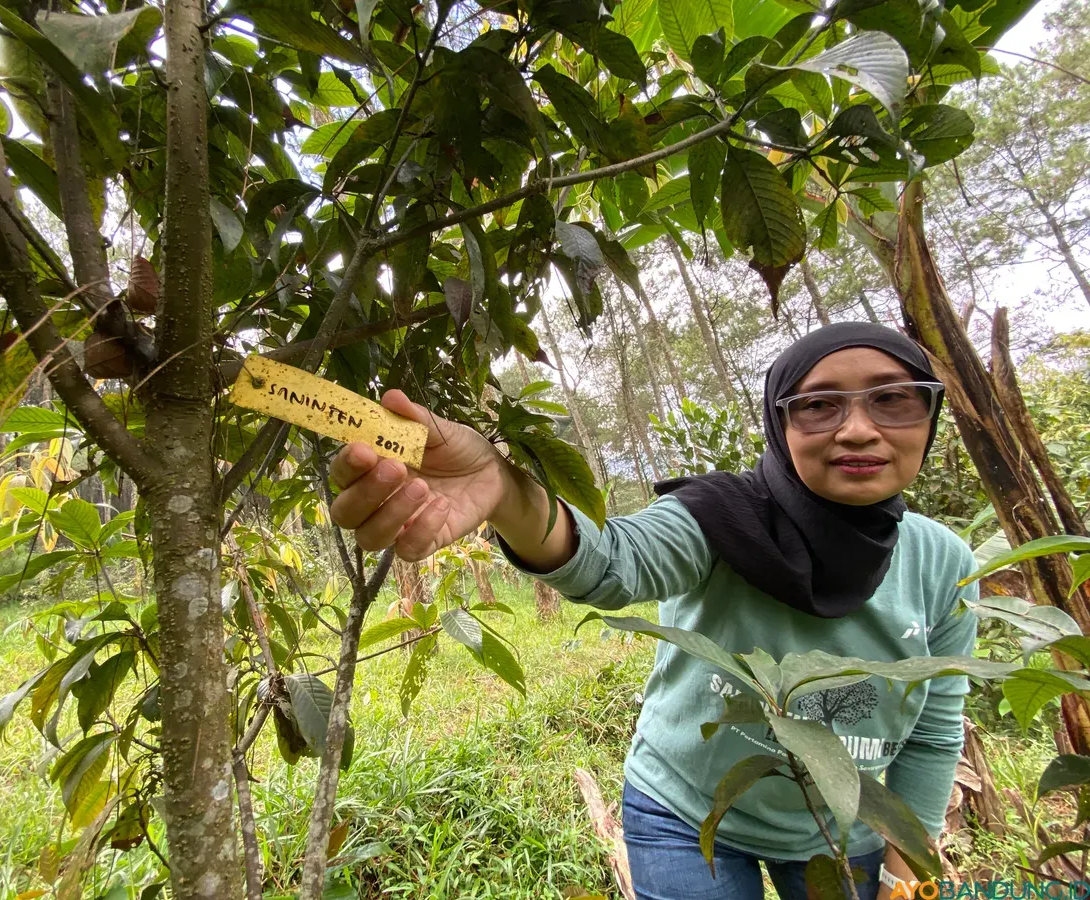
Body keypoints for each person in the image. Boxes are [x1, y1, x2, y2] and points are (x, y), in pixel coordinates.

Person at [327, 322, 977, 900]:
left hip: (849, 822)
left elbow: (933, 735)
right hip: (683, 814)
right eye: (818, 405)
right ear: (781, 426)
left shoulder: (944, 563)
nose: (857, 428)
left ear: (930, 416)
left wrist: (907, 871)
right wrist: (504, 491)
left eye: (893, 400)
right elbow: (613, 563)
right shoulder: (723, 517)